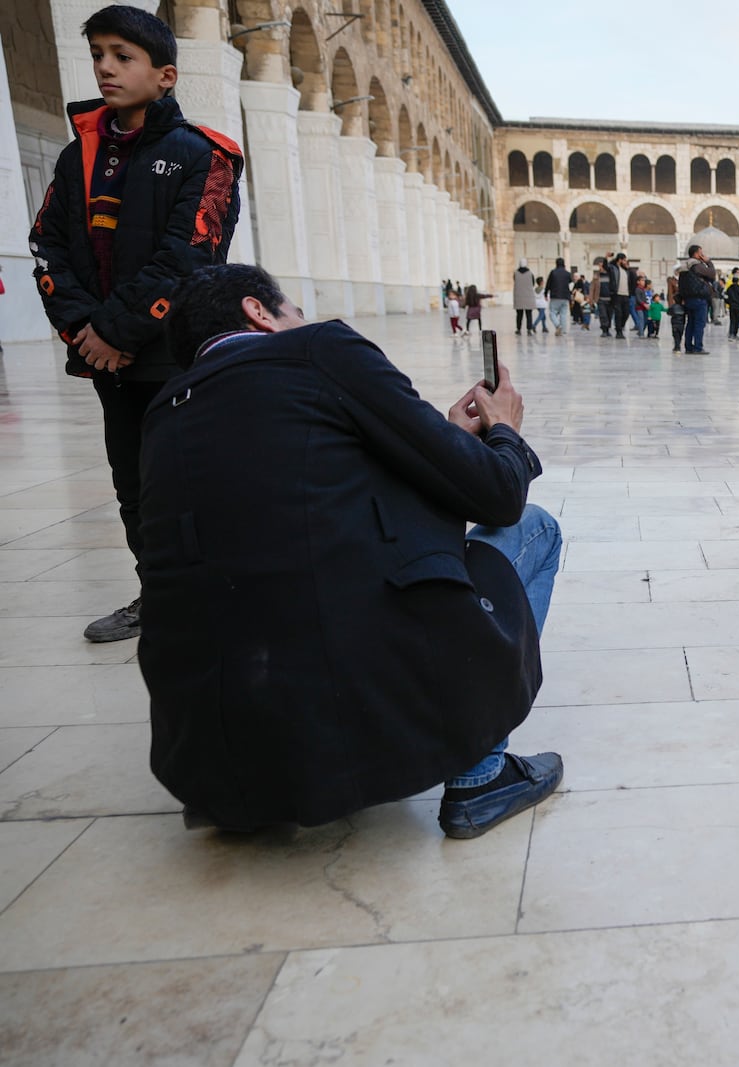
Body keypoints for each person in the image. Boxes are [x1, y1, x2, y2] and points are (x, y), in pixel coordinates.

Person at [145, 263, 564, 838]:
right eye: (293, 309)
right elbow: (497, 496)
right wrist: (506, 435)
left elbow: (314, 497)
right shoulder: (320, 350)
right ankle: (482, 775)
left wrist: (442, 439)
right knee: (537, 530)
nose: (302, 319)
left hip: (211, 769)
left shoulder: (164, 413)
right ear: (257, 311)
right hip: (345, 706)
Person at [29, 3, 243, 645]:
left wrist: (117, 332)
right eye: (98, 54)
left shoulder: (205, 156)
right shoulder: (77, 159)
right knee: (135, 489)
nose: (105, 68)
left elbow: (190, 256)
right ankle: (161, 599)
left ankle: (222, 598)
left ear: (166, 75)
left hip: (174, 353)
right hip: (107, 361)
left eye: (124, 57)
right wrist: (84, 335)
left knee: (191, 482)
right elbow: (46, 247)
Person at [678, 244, 717, 353]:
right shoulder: (696, 265)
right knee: (699, 324)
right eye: (701, 252)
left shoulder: (684, 266)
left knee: (690, 323)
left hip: (688, 299)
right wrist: (708, 262)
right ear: (696, 254)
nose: (702, 254)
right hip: (699, 299)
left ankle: (688, 347)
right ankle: (698, 347)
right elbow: (712, 274)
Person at [545, 257, 572, 335]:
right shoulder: (567, 273)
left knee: (552, 313)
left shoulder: (553, 272)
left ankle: (558, 325)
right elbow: (570, 282)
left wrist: (546, 293)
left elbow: (548, 283)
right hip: (565, 296)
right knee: (563, 314)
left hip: (555, 296)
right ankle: (563, 330)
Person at [512, 259, 538, 335]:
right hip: (528, 296)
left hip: (519, 296)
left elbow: (515, 281)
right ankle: (529, 329)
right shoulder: (530, 273)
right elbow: (533, 283)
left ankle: (518, 329)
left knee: (519, 314)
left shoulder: (515, 273)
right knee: (529, 314)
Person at [724, 269, 739, 340]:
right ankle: (735, 334)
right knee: (737, 320)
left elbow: (725, 296)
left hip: (731, 306)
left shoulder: (729, 288)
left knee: (732, 320)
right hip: (738, 306)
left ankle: (731, 333)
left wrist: (728, 302)